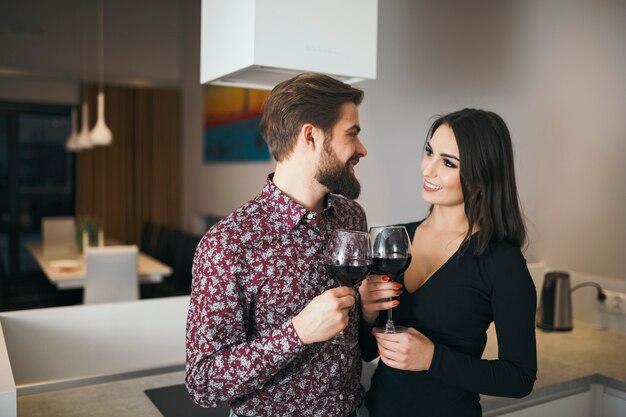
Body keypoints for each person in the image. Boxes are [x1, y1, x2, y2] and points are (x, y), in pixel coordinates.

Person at [186, 73, 369, 417]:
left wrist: (368, 311)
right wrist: (297, 333)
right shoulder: (228, 243)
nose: (362, 149)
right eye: (352, 134)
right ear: (311, 136)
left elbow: (354, 332)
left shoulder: (352, 218)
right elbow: (203, 381)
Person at [359, 108, 537, 416]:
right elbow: (366, 350)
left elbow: (519, 378)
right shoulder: (394, 242)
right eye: (429, 153)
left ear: (481, 176)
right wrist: (365, 313)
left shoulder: (502, 262)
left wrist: (432, 358)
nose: (428, 169)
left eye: (448, 162)